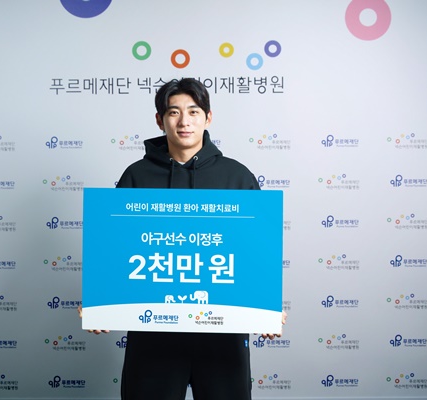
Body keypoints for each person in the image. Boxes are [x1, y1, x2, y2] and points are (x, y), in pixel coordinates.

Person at [79, 78, 287, 400]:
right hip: (153, 334)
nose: (184, 121)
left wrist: (266, 307)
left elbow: (254, 254)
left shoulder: (237, 177)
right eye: (174, 112)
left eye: (193, 111)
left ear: (208, 117)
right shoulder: (136, 176)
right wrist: (99, 301)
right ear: (160, 120)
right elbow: (116, 250)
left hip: (222, 336)